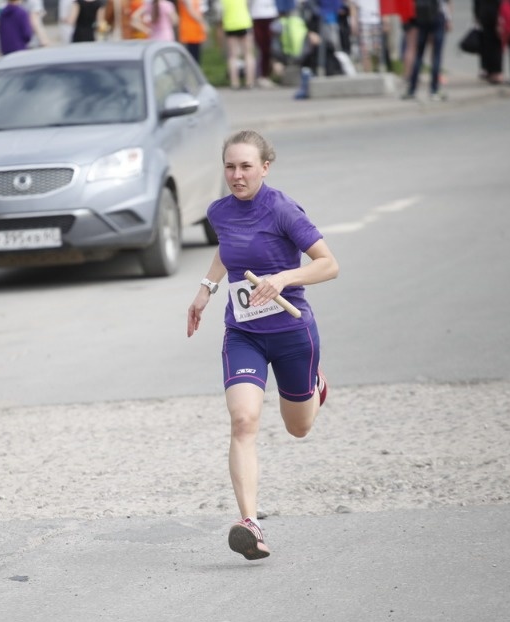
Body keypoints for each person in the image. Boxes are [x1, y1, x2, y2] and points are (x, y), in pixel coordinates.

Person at [186, 130, 339, 561]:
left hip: (292, 333)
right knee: (243, 421)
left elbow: (329, 264)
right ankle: (250, 523)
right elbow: (228, 249)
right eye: (230, 166)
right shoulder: (219, 212)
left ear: (265, 167)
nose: (237, 175)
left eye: (246, 167)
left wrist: (283, 278)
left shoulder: (282, 210)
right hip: (244, 333)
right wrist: (206, 289)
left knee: (298, 428)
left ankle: (315, 385)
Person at [402, 0, 449, 100]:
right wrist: (448, 19)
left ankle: (412, 89)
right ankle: (434, 90)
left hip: (421, 16)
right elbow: (445, 3)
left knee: (419, 55)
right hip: (437, 15)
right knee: (436, 55)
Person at [221, 0, 256, 89]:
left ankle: (234, 82)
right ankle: (249, 81)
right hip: (244, 23)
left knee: (233, 56)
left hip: (230, 25)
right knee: (248, 54)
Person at [249, 0, 278, 86]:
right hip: (257, 16)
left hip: (270, 15)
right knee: (261, 48)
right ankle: (260, 75)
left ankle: (265, 75)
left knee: (269, 49)